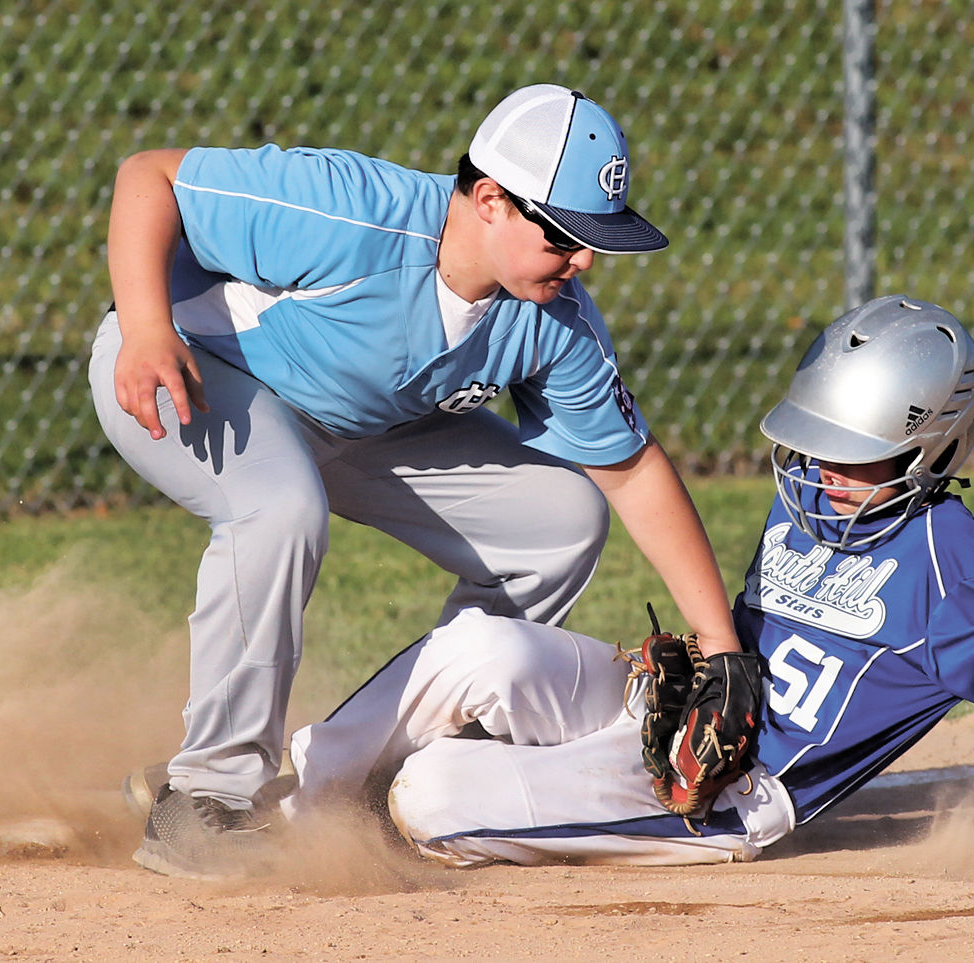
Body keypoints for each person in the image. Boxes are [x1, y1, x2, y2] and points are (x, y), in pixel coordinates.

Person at [266, 295, 974, 874]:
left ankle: (377, 825)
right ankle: (285, 800)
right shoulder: (805, 505)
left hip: (723, 792)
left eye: (850, 459)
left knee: (433, 796)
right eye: (812, 446)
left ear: (927, 450)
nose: (820, 474)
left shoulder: (949, 560)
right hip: (664, 705)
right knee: (479, 646)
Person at [90, 83, 743, 879]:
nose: (584, 259)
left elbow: (632, 471)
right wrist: (147, 327)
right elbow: (147, 178)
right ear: (492, 201)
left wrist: (720, 644)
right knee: (280, 507)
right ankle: (202, 798)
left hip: (356, 428)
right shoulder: (352, 212)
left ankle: (376, 772)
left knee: (560, 519)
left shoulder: (552, 319)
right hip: (187, 374)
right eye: (566, 236)